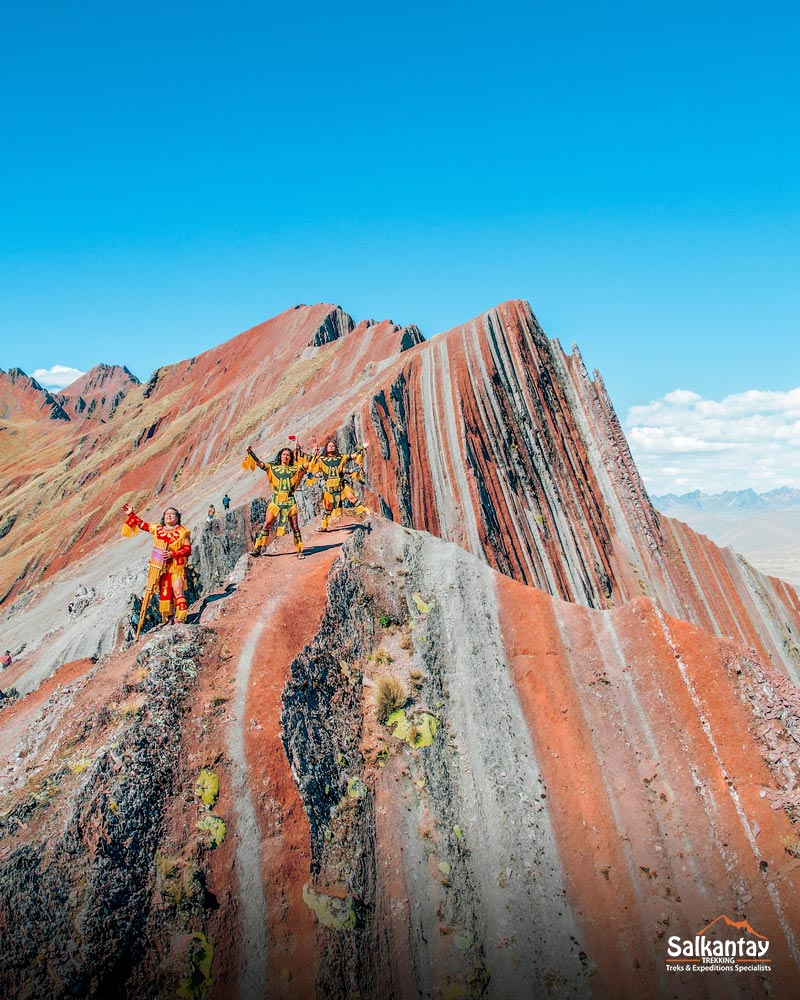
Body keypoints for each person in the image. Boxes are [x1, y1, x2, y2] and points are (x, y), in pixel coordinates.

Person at [121, 503, 192, 623]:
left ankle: (181, 617)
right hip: (160, 566)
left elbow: (187, 549)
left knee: (177, 590)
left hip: (176, 566)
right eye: (167, 514)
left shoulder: (183, 532)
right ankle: (169, 617)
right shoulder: (158, 529)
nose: (169, 516)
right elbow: (143, 525)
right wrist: (132, 515)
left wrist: (172, 554)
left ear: (177, 517)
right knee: (165, 592)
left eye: (172, 514)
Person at [242, 441, 310, 559]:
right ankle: (258, 548)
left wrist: (307, 452)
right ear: (280, 456)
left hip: (289, 501)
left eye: (288, 455)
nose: (286, 456)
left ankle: (299, 550)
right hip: (276, 500)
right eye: (284, 454)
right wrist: (251, 453)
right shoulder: (272, 467)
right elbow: (260, 464)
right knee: (267, 524)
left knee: (295, 526)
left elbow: (307, 465)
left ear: (291, 457)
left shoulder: (295, 469)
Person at [307, 438, 370, 531]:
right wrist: (314, 451)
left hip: (341, 485)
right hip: (329, 488)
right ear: (326, 448)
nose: (331, 447)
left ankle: (367, 512)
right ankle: (324, 526)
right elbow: (312, 464)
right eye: (329, 446)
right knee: (328, 507)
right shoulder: (321, 459)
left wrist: (363, 448)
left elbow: (354, 456)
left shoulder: (341, 457)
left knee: (352, 498)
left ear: (335, 448)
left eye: (333, 446)